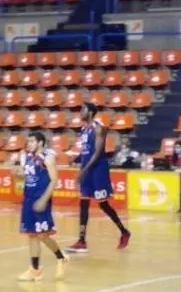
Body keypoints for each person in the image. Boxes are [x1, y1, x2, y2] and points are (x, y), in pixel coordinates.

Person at [68, 104, 131, 253]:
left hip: (98, 170)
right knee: (83, 202)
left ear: (90, 112)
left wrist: (83, 171)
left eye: (83, 110)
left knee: (103, 204)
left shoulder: (99, 128)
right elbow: (86, 151)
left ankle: (124, 231)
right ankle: (81, 240)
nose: (80, 112)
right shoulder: (84, 130)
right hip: (86, 168)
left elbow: (97, 153)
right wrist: (76, 160)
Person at [18, 132, 69, 281]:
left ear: (40, 142)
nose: (29, 144)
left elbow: (54, 181)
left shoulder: (48, 157)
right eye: (28, 141)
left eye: (32, 141)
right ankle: (34, 270)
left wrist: (44, 200)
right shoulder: (27, 157)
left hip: (41, 199)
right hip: (28, 199)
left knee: (43, 235)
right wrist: (18, 174)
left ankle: (61, 257)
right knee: (32, 235)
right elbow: (26, 177)